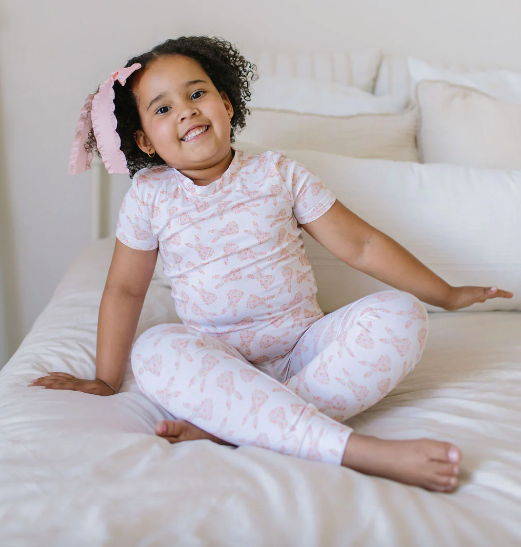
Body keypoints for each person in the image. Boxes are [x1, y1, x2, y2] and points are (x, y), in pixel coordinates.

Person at [29, 36, 513, 492]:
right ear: (145, 141)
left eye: (196, 93)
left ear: (226, 104)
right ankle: (353, 449)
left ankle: (232, 428)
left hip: (305, 350)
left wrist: (446, 295)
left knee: (402, 314)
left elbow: (362, 245)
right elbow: (125, 290)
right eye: (163, 108)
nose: (186, 110)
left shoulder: (276, 173)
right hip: (220, 361)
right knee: (155, 349)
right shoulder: (149, 196)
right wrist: (106, 379)